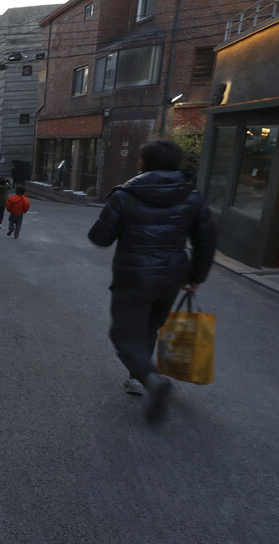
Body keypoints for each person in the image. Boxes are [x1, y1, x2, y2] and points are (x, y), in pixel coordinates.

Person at [88, 139, 216, 422]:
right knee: (150, 325)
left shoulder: (125, 195)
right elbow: (206, 242)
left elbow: (99, 237)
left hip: (133, 276)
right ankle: (137, 378)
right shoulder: (193, 196)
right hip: (172, 276)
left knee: (123, 334)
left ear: (142, 163)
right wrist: (196, 277)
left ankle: (150, 379)